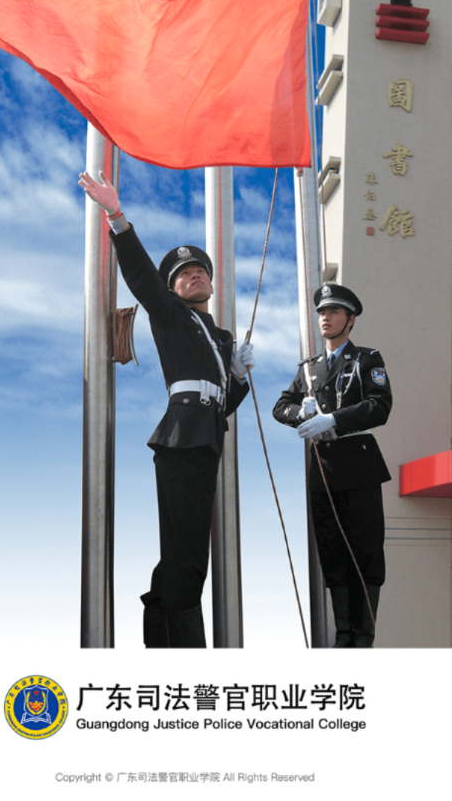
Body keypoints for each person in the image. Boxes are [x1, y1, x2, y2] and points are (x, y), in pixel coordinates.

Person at [79, 170, 254, 648]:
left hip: (205, 439)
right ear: (172, 290)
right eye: (181, 275)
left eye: (199, 271)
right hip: (182, 441)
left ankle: (161, 639)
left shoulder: (219, 336)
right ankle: (184, 651)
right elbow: (141, 277)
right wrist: (117, 217)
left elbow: (221, 406)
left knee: (185, 552)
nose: (193, 275)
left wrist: (238, 377)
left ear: (211, 283)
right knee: (188, 557)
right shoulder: (172, 315)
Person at [272, 283, 392, 648]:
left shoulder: (366, 360)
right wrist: (300, 412)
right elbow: (280, 407)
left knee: (365, 552)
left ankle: (363, 638)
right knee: (332, 553)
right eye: (322, 312)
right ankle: (342, 638)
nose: (325, 317)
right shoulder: (308, 369)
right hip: (322, 471)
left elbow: (380, 406)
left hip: (357, 464)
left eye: (334, 312)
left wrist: (334, 419)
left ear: (350, 319)